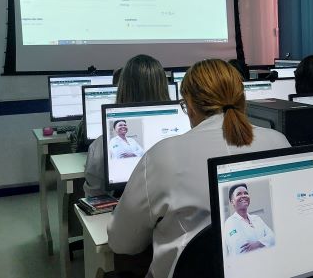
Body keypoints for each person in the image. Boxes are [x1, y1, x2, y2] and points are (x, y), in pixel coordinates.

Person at [107, 59, 291, 278]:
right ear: (242, 99)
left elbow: (123, 242)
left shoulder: (163, 155)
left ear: (190, 105)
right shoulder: (278, 141)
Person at [83, 55, 168, 197]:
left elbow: (94, 198)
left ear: (122, 88)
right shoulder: (184, 134)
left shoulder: (100, 147)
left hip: (127, 215)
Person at [223, 183, 275, 255]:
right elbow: (241, 249)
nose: (243, 196)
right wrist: (265, 242)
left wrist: (257, 244)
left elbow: (272, 237)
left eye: (246, 193)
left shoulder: (257, 218)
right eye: (239, 194)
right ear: (232, 202)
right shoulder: (230, 222)